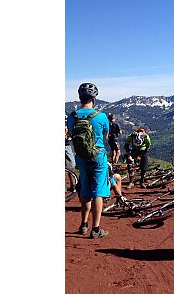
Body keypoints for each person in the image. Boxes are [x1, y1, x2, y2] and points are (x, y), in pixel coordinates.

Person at [67, 83, 110, 238]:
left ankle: (83, 224)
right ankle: (96, 229)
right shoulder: (101, 116)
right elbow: (105, 135)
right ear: (94, 98)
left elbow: (71, 134)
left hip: (81, 157)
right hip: (98, 155)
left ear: (80, 97)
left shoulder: (72, 117)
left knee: (85, 190)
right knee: (98, 192)